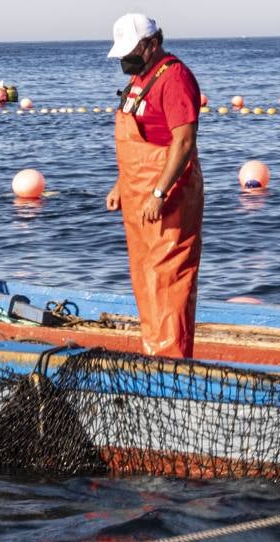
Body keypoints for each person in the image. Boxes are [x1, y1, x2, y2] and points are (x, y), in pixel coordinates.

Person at [103, 13, 204, 359]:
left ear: (153, 44)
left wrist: (160, 193)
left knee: (169, 277)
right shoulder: (139, 78)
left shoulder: (174, 78)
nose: (125, 60)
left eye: (131, 51)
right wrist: (121, 184)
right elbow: (139, 138)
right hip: (137, 195)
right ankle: (153, 350)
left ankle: (173, 359)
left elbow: (184, 142)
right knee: (145, 275)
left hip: (168, 196)